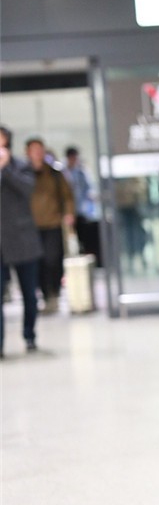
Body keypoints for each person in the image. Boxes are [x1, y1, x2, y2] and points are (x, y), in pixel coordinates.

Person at [0, 126, 43, 356]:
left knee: (29, 294)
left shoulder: (20, 166)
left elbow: (27, 189)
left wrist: (5, 168)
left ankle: (29, 335)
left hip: (22, 239)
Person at [25, 137, 75, 314]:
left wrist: (69, 213)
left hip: (52, 223)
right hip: (30, 226)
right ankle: (46, 295)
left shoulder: (55, 174)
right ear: (27, 152)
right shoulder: (22, 174)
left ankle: (54, 292)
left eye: (40, 149)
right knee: (37, 263)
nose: (38, 153)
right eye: (34, 150)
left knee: (53, 259)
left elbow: (67, 195)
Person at [64, 146, 101, 262]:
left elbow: (90, 188)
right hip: (68, 211)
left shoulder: (81, 171)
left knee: (84, 235)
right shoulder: (63, 172)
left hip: (81, 209)